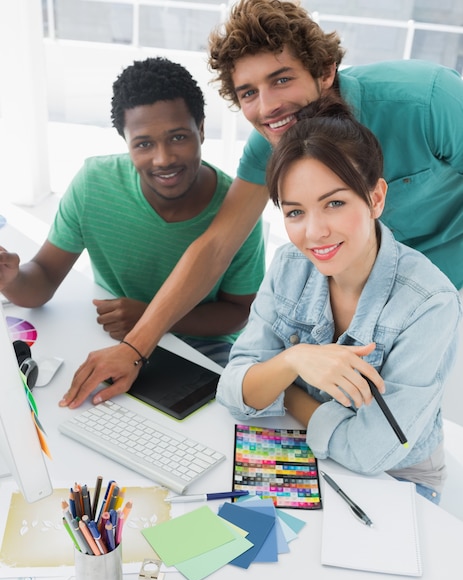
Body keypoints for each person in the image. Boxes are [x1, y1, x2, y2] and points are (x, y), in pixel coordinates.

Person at [59, 0, 463, 408]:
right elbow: (216, 246)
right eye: (249, 92)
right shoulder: (270, 144)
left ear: (325, 71)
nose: (268, 107)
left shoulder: (428, 101)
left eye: (282, 79)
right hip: (361, 287)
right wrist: (134, 349)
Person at [216, 95, 463, 503]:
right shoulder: (289, 264)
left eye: (334, 203)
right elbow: (233, 390)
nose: (314, 233)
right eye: (295, 212)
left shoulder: (429, 303)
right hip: (301, 446)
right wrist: (296, 360)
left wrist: (282, 386)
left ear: (376, 198)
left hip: (397, 476)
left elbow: (370, 451)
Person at [0, 57, 265, 368]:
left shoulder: (238, 208)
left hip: (201, 346)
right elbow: (42, 279)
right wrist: (11, 279)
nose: (163, 159)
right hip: (114, 332)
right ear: (125, 143)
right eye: (143, 144)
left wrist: (149, 316)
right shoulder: (93, 184)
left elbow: (238, 313)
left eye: (178, 137)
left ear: (202, 130)